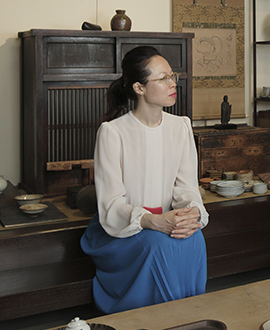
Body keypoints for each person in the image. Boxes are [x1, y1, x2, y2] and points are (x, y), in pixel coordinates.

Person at [81, 46, 208, 314]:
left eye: (172, 76)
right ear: (139, 87)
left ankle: (190, 319)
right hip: (122, 229)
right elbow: (111, 204)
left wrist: (191, 213)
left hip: (166, 221)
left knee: (194, 238)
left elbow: (186, 188)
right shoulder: (113, 132)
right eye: (162, 79)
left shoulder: (180, 126)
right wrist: (153, 221)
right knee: (159, 245)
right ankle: (159, 325)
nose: (172, 83)